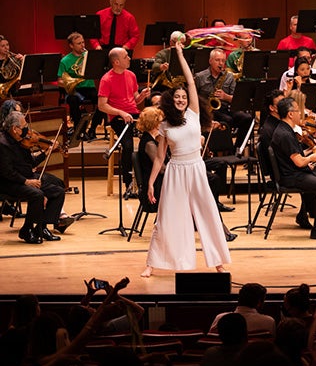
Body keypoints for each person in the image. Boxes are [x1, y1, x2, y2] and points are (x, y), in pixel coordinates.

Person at [141, 39, 231, 278]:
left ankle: (218, 262)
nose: (181, 99)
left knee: (208, 214)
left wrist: (179, 54)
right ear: (171, 101)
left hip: (196, 168)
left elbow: (191, 81)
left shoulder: (193, 113)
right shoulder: (165, 125)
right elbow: (160, 157)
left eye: (184, 96)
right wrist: (150, 183)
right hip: (175, 171)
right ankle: (152, 263)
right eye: (177, 97)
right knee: (167, 217)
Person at [269, 97, 316, 240]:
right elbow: (299, 162)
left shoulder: (286, 130)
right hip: (291, 177)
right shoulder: (285, 134)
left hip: (295, 172)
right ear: (290, 114)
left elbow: (296, 155)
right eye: (298, 111)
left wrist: (311, 151)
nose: (301, 114)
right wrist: (311, 158)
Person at [0, 110, 67, 243]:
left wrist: (46, 153)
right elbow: (7, 172)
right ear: (15, 129)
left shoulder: (20, 141)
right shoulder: (2, 144)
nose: (27, 129)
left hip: (26, 177)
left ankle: (41, 228)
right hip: (9, 183)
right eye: (24, 127)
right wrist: (27, 182)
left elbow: (31, 163)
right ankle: (26, 230)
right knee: (37, 194)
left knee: (58, 192)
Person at [98, 47, 151, 195]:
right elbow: (102, 106)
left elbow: (135, 99)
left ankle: (146, 180)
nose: (129, 59)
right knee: (127, 146)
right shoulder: (106, 79)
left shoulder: (131, 75)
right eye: (126, 57)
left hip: (133, 114)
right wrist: (120, 112)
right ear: (116, 62)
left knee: (151, 141)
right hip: (118, 117)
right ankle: (129, 184)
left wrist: (142, 96)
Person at [58, 32, 99, 139]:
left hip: (89, 87)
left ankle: (92, 129)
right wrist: (71, 83)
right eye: (79, 43)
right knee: (73, 100)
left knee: (103, 101)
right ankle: (79, 130)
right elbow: (59, 81)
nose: (82, 45)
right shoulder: (65, 61)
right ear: (71, 45)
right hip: (75, 89)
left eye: (83, 42)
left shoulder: (89, 57)